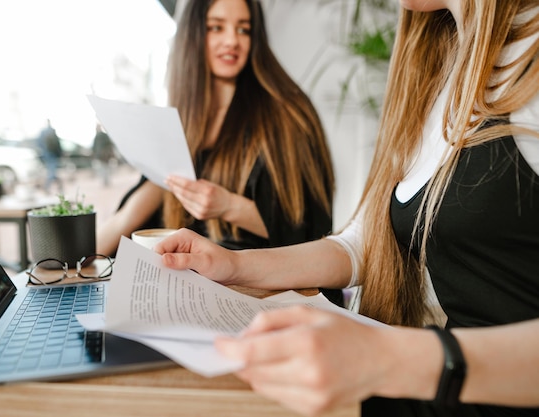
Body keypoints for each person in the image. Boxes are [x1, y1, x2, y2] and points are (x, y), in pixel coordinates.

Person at [155, 1, 539, 416]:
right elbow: (361, 245)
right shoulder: (439, 72)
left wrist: (388, 356)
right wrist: (234, 265)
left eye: (242, 29)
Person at [97, 0, 342, 304]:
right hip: (200, 292)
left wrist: (227, 206)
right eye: (216, 27)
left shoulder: (287, 113)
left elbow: (306, 231)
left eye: (243, 29)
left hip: (274, 293)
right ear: (194, 35)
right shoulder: (186, 122)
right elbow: (133, 214)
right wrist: (67, 261)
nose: (231, 40)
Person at [37, 118, 63, 193]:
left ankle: (59, 186)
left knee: (52, 171)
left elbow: (39, 144)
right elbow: (57, 143)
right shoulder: (52, 131)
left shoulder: (42, 132)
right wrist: (60, 153)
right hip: (53, 154)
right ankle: (47, 186)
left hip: (46, 154)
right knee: (52, 171)